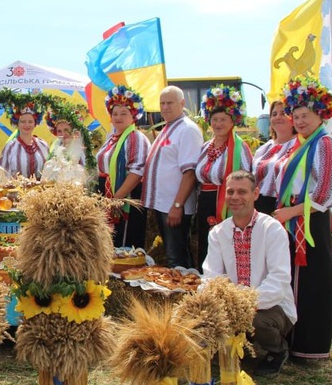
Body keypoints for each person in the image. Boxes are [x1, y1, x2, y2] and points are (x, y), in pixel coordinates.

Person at [273, 77, 332, 362]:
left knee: (311, 283)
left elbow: (325, 194)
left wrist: (291, 212)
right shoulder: (301, 144)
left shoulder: (324, 144)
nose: (299, 121)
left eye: (305, 116)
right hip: (294, 219)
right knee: (294, 278)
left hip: (309, 221)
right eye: (296, 116)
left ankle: (310, 345)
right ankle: (293, 339)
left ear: (319, 115)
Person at [202, 170, 296, 377]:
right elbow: (211, 275)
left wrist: (245, 304)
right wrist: (220, 302)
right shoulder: (218, 232)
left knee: (257, 321)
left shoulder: (272, 229)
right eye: (230, 192)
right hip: (234, 303)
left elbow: (279, 280)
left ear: (255, 194)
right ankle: (228, 348)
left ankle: (277, 350)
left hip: (271, 305)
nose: (235, 197)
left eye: (242, 192)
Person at [142, 86, 204, 269]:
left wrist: (178, 205)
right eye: (162, 103)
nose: (165, 107)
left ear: (182, 103)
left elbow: (190, 172)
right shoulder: (169, 128)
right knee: (172, 256)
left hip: (174, 206)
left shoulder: (187, 130)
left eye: (170, 102)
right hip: (164, 205)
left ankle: (184, 295)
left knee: (176, 259)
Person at [195, 85, 253, 271]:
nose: (218, 124)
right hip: (205, 200)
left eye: (223, 119)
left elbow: (245, 177)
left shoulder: (238, 148)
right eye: (215, 119)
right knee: (205, 242)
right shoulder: (205, 146)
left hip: (227, 201)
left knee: (224, 243)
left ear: (233, 121)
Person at [95, 85, 149, 249]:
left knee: (124, 243)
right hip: (108, 193)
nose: (118, 117)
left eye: (124, 113)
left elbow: (137, 171)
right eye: (115, 114)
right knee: (110, 241)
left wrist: (117, 197)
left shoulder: (135, 137)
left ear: (133, 116)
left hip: (125, 195)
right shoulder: (112, 138)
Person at [252, 101, 296, 215]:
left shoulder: (299, 145)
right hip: (258, 205)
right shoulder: (264, 148)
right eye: (274, 114)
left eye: (283, 113)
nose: (278, 117)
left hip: (284, 207)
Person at [0, 102, 49, 179]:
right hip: (16, 190)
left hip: (41, 190)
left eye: (30, 122)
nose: (27, 125)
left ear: (35, 123)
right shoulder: (10, 147)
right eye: (23, 122)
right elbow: (3, 174)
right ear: (17, 124)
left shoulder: (43, 145)